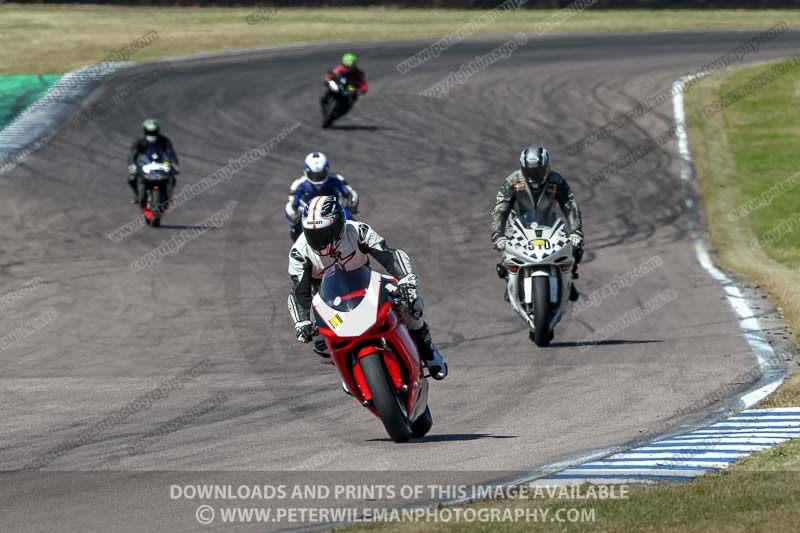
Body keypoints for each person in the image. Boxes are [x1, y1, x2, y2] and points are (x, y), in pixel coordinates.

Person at [287, 195, 447, 381]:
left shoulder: (358, 231)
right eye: (312, 233)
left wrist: (406, 280)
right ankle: (346, 372)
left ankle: (428, 350)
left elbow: (389, 255)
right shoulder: (299, 252)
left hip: (366, 287)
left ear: (338, 224)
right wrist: (302, 322)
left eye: (324, 232)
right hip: (330, 302)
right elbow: (299, 292)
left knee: (411, 303)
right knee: (320, 343)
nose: (318, 240)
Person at [490, 146, 584, 301]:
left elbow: (570, 205)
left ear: (547, 167)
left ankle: (569, 276)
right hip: (516, 225)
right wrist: (498, 235)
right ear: (523, 169)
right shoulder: (512, 181)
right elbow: (500, 209)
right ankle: (510, 279)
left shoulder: (557, 180)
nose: (535, 176)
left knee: (575, 246)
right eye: (530, 171)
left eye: (539, 171)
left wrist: (576, 231)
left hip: (549, 223)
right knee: (506, 252)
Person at [285, 152, 359, 241]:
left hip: (333, 210)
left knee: (350, 220)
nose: (317, 178)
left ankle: (358, 240)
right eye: (314, 175)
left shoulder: (336, 179)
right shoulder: (298, 184)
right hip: (309, 213)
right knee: (295, 230)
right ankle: (300, 247)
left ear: (327, 170)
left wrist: (352, 202)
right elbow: (291, 204)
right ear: (306, 171)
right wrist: (294, 215)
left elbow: (350, 193)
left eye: (320, 174)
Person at [127, 119, 179, 204]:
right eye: (149, 131)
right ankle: (136, 195)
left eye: (154, 131)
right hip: (144, 164)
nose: (152, 134)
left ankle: (169, 196)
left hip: (162, 164)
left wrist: (174, 164)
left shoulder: (165, 140)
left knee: (172, 178)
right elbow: (133, 154)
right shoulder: (139, 141)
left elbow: (170, 153)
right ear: (145, 131)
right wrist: (132, 165)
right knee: (132, 179)